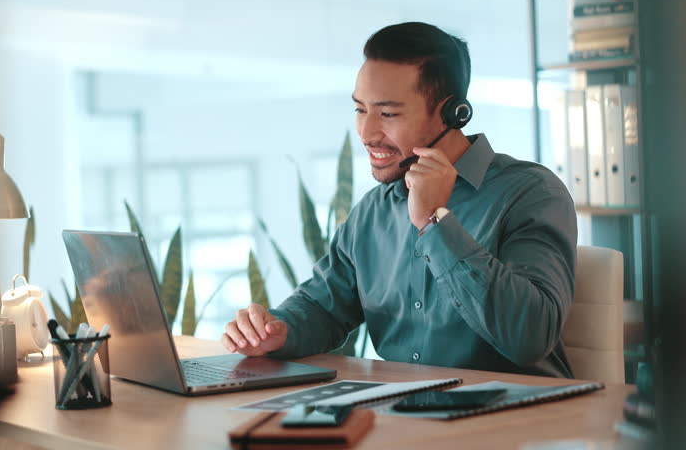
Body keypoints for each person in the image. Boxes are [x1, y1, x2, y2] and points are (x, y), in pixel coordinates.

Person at [221, 22, 577, 378]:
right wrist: (278, 330)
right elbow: (322, 306)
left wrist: (436, 222)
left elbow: (530, 336)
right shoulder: (373, 212)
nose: (367, 133)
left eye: (388, 114)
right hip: (407, 417)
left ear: (455, 114)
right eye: (361, 110)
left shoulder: (530, 193)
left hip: (516, 419)